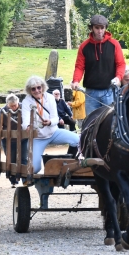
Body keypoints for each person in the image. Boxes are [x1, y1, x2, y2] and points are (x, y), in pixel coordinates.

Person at [21, 76, 80, 208]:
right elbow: (25, 121)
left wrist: (50, 122)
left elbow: (55, 117)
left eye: (38, 87)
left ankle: (70, 160)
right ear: (30, 90)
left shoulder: (50, 98)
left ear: (43, 87)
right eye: (33, 89)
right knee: (35, 168)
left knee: (77, 140)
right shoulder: (26, 102)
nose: (37, 90)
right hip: (38, 137)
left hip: (53, 132)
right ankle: (39, 188)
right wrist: (28, 127)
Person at [71, 14, 126, 116]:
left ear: (105, 28)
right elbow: (79, 66)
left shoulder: (114, 44)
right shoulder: (84, 46)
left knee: (111, 124)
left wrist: (118, 77)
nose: (100, 31)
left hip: (109, 91)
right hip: (91, 93)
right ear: (91, 28)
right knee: (91, 125)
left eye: (102, 28)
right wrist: (75, 80)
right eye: (97, 28)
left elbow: (121, 64)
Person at [0, 94, 28, 187]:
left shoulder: (23, 107)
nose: (14, 107)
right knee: (11, 159)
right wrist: (0, 134)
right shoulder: (3, 111)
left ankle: (25, 179)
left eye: (15, 105)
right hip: (9, 140)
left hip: (23, 138)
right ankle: (13, 181)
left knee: (23, 158)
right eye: (11, 106)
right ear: (7, 105)